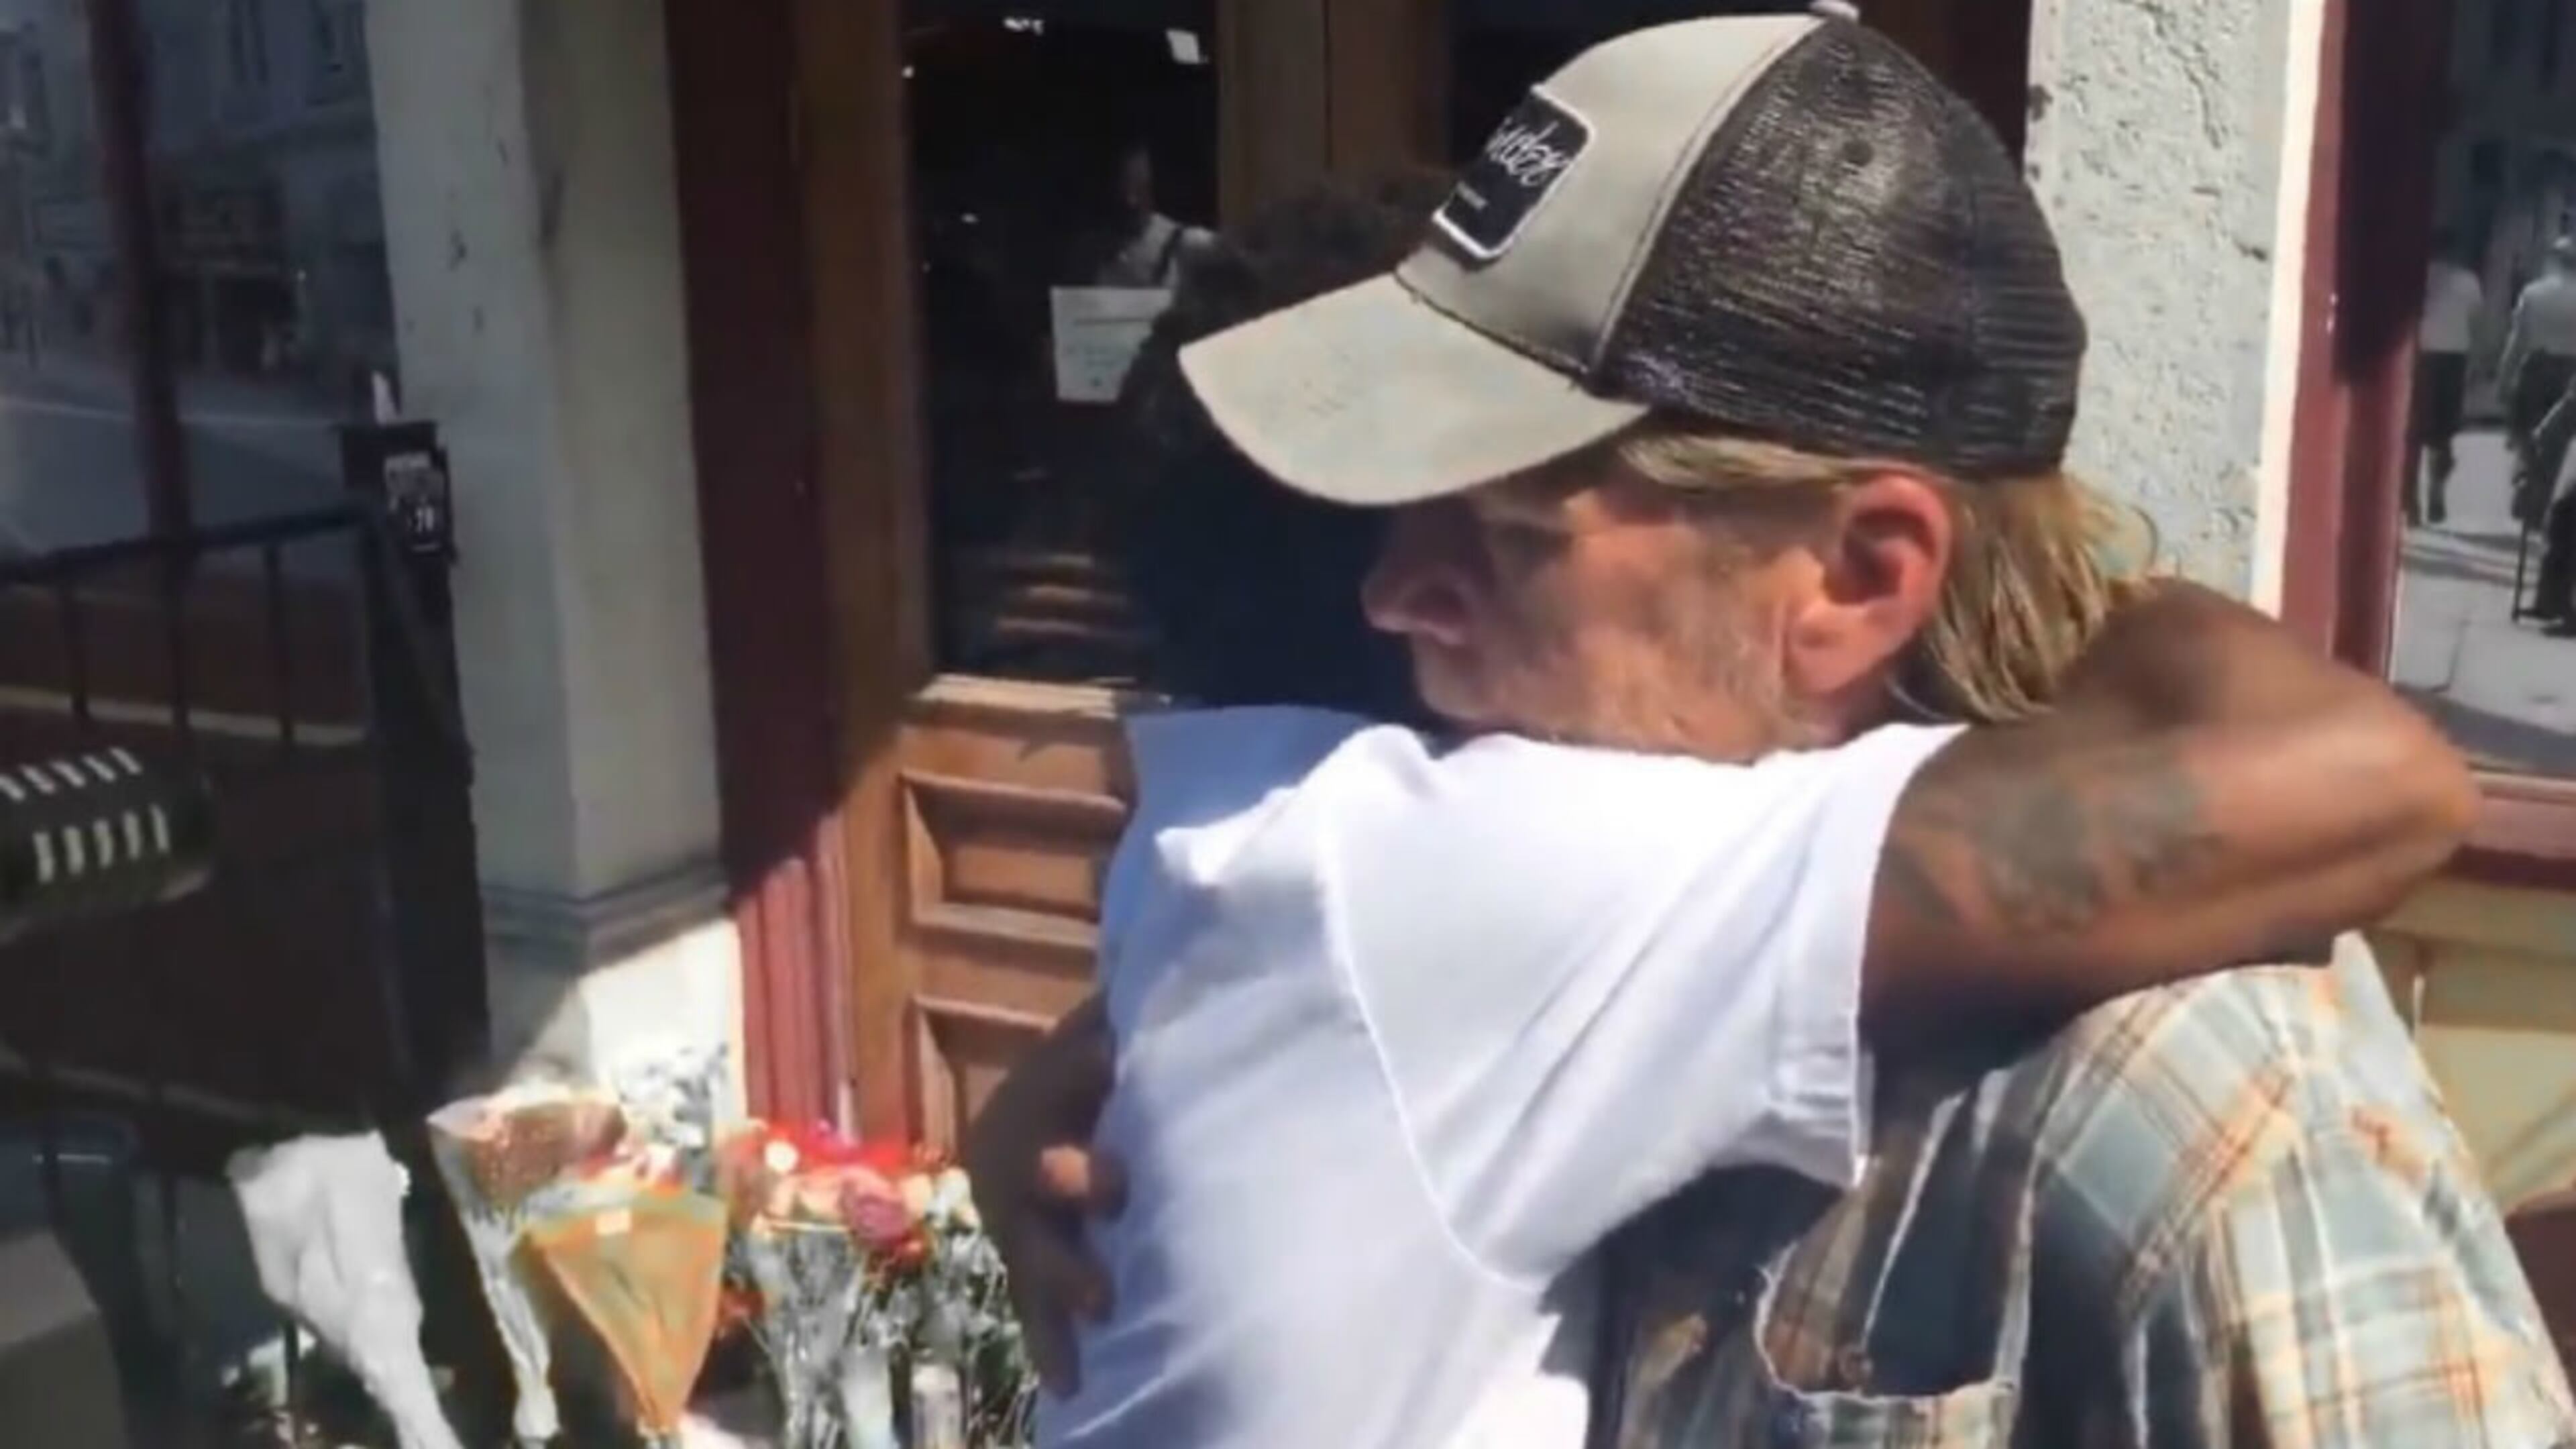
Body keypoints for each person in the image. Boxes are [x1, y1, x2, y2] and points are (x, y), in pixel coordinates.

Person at [977, 11, 2569, 1447]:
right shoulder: (1513, 893)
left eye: (1508, 532)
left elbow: (2374, 784)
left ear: (1862, 575)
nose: (1393, 599)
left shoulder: (2188, 1097)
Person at [2412, 231, 2483, 527]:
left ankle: (2410, 498)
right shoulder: (2468, 282)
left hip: (2422, 356)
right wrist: (2478, 364)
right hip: (2454, 358)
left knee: (2414, 431)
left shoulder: (2420, 277)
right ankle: (2437, 490)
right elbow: (2477, 323)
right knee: (2443, 434)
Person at [2502, 236, 2576, 520]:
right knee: (2555, 439)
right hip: (2570, 374)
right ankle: (2541, 499)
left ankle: (2525, 480)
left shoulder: (2533, 293)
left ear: (2553, 261)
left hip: (2536, 366)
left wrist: (2504, 376)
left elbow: (2518, 339)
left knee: (2527, 430)